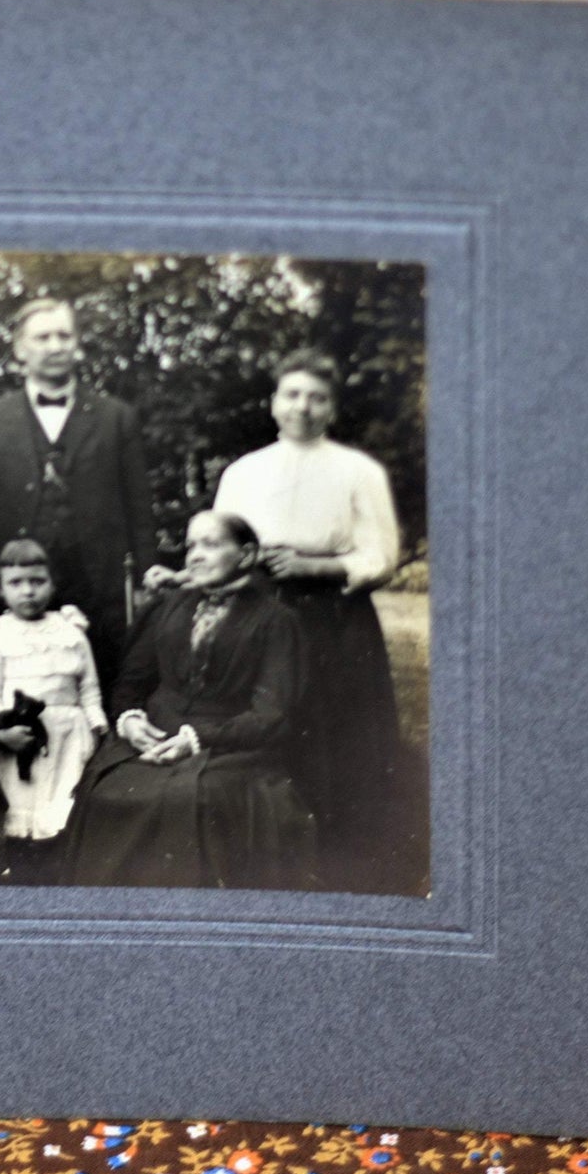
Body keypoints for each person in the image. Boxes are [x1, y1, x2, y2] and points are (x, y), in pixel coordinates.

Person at [208, 348, 406, 892]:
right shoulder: (243, 472)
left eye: (317, 398)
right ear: (274, 403)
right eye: (292, 395)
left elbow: (381, 553)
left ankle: (344, 848)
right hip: (262, 609)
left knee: (336, 729)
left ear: (332, 409)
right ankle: (260, 841)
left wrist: (314, 564)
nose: (304, 407)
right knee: (264, 719)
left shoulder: (357, 471)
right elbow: (222, 545)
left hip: (333, 615)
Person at [65, 511, 311, 890]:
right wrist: (129, 719)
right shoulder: (169, 607)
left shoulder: (276, 620)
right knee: (108, 792)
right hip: (155, 736)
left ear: (246, 555)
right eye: (191, 545)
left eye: (211, 545)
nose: (194, 555)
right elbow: (132, 682)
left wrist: (197, 739)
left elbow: (271, 714)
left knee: (188, 802)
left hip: (230, 747)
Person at [0, 298, 157, 686]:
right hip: (19, 580)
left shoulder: (116, 417)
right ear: (20, 349)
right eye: (42, 337)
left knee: (104, 681)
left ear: (77, 344)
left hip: (101, 581)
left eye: (64, 335)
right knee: (22, 686)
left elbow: (139, 504)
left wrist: (146, 573)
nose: (55, 345)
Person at [0, 539, 107, 872]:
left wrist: (97, 728)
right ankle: (21, 878)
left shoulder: (71, 631)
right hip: (21, 740)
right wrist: (1, 732)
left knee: (62, 809)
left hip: (69, 739)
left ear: (52, 583)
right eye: (16, 583)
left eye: (37, 581)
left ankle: (59, 878)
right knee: (22, 814)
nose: (28, 592)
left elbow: (89, 687)